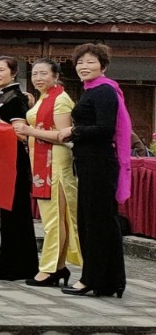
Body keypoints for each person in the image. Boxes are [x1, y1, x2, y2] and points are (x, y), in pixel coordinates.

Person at [57, 43, 127, 298]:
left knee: (96, 222)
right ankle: (109, 281)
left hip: (99, 163)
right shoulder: (91, 90)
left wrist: (73, 130)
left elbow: (105, 129)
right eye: (80, 63)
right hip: (89, 162)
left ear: (103, 66)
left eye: (90, 62)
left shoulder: (104, 91)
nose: (84, 67)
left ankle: (92, 279)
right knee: (97, 221)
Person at [12, 58, 80, 287]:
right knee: (52, 219)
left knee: (54, 219)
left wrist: (30, 130)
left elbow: (64, 135)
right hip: (42, 162)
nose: (38, 78)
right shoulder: (44, 97)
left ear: (55, 76)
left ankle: (50, 268)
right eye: (35, 74)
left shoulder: (60, 99)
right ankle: (57, 267)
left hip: (56, 164)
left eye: (44, 73)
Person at [0, 56, 39, 281]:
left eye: (1, 70)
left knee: (16, 212)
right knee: (5, 213)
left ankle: (18, 266)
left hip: (14, 160)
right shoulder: (1, 96)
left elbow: (20, 133)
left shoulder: (17, 97)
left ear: (13, 73)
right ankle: (9, 262)